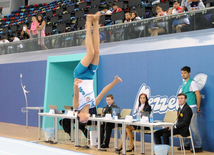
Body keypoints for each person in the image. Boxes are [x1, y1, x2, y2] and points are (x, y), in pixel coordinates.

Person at [73, 12, 122, 124]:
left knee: (90, 53)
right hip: (90, 75)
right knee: (97, 52)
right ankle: (96, 22)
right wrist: (114, 82)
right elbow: (104, 91)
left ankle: (88, 22)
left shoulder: (76, 106)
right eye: (87, 121)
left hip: (79, 75)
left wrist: (75, 85)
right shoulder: (93, 104)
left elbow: (76, 95)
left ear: (79, 115)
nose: (86, 120)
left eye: (82, 120)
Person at [179, 66, 203, 153]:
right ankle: (186, 145)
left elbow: (198, 95)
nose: (183, 74)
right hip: (184, 108)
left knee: (194, 127)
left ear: (189, 73)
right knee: (184, 126)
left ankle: (198, 146)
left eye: (185, 73)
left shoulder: (192, 82)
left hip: (192, 107)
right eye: (182, 73)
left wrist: (198, 107)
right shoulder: (184, 82)